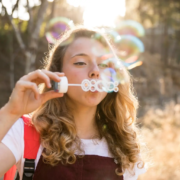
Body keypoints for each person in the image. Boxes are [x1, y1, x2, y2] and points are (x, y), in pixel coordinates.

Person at [0, 26, 146, 180]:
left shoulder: (124, 147)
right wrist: (11, 112)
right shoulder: (25, 133)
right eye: (81, 62)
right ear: (58, 75)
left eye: (103, 64)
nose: (95, 71)